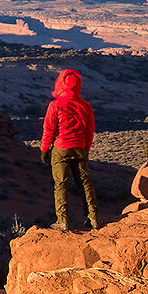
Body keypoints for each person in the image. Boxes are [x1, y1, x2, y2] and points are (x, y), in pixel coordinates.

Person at [39, 68, 97, 230]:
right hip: (79, 148)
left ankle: (63, 221)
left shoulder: (55, 105)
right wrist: (86, 149)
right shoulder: (86, 106)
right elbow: (90, 131)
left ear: (61, 83)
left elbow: (49, 129)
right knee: (85, 183)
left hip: (61, 149)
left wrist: (44, 150)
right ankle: (93, 218)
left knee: (61, 184)